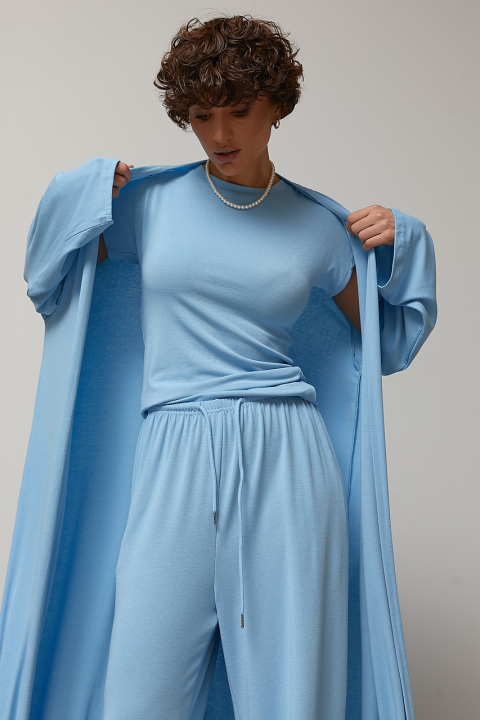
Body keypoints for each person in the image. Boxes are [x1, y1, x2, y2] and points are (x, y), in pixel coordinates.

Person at [0, 14, 437, 720]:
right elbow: (49, 275)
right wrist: (77, 194)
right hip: (173, 447)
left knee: (289, 699)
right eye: (201, 116)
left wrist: (406, 248)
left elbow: (386, 345)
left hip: (287, 457)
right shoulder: (149, 205)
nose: (219, 134)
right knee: (140, 694)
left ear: (277, 106)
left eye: (238, 111)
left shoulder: (319, 228)